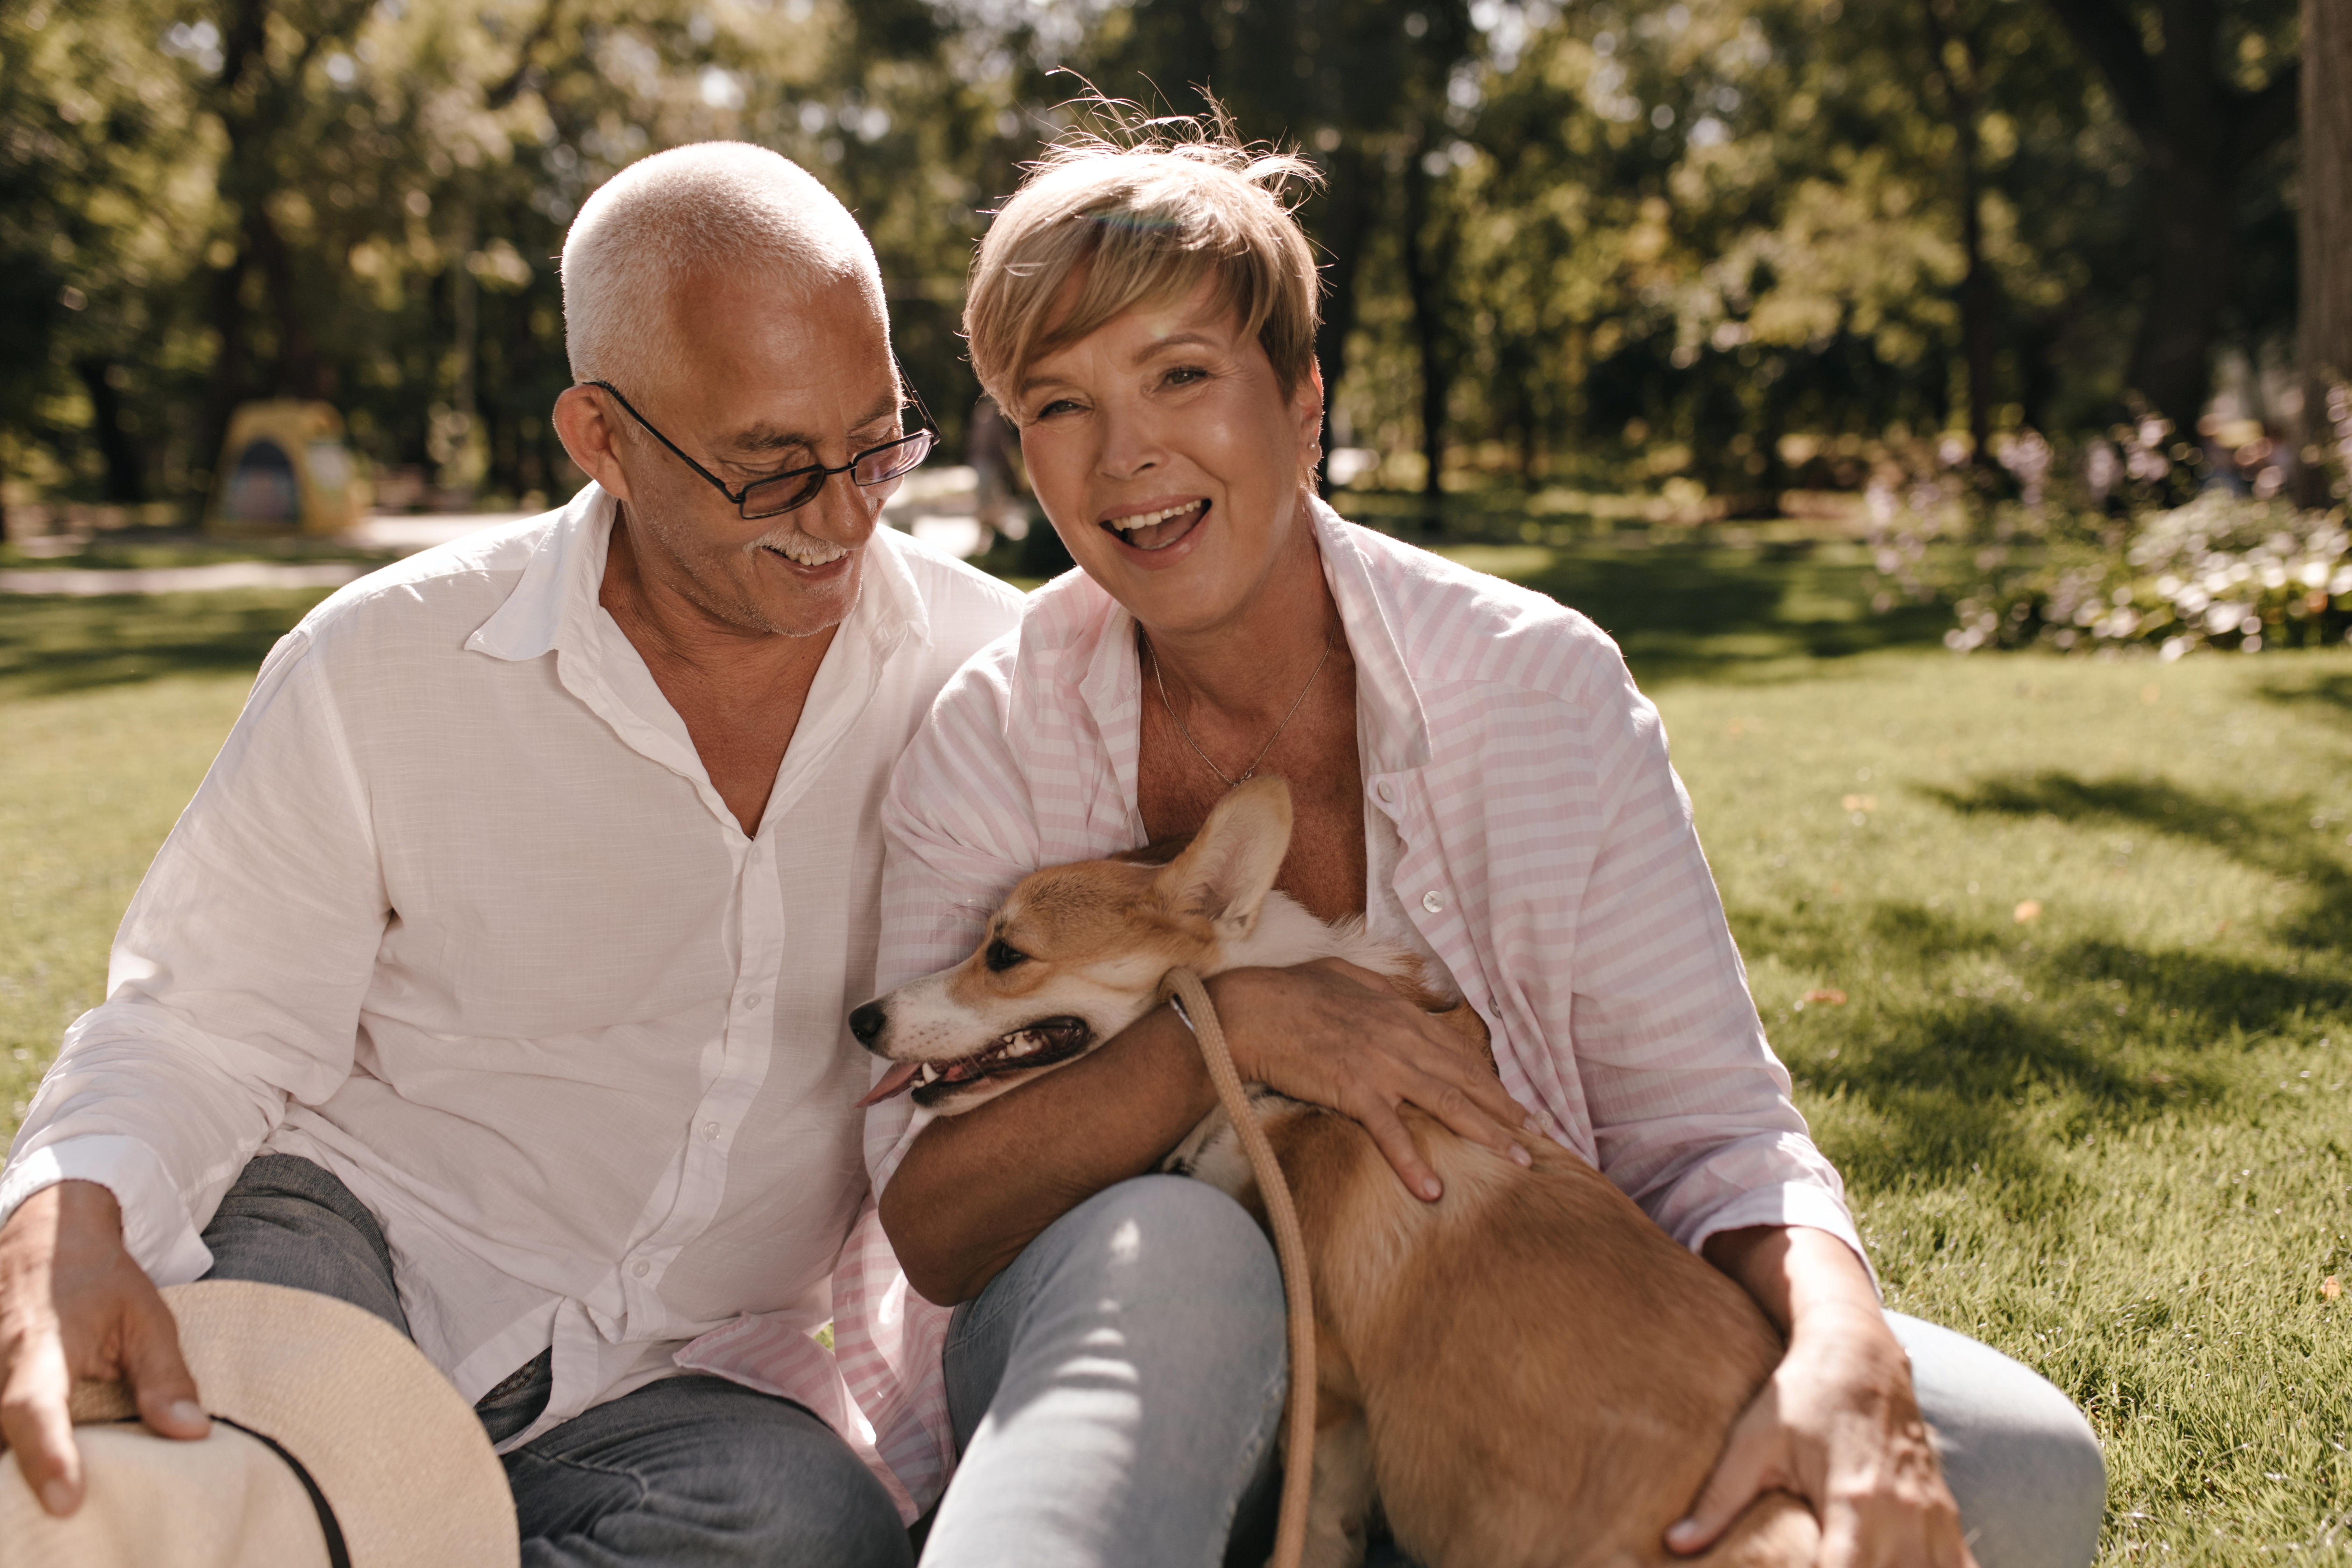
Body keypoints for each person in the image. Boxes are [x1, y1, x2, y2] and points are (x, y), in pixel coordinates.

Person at [867, 124, 2109, 1567]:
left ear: (1304, 398)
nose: (1128, 450)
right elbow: (934, 1223)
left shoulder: (1540, 686)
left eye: (1183, 374)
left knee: (2020, 1472)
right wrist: (1241, 1025)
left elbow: (1713, 1132)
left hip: (1490, 1344)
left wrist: (1847, 1352)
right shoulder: (992, 734)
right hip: (1136, 1342)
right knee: (1185, 1248)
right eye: (1060, 403)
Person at [0, 142, 1030, 1567]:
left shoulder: (994, 679)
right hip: (348, 1254)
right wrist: (64, 1214)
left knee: (815, 1527)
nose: (848, 513)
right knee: (239, 1486)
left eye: (880, 441)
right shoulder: (381, 665)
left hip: (670, 1380)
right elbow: (198, 1023)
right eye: (772, 470)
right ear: (600, 439)